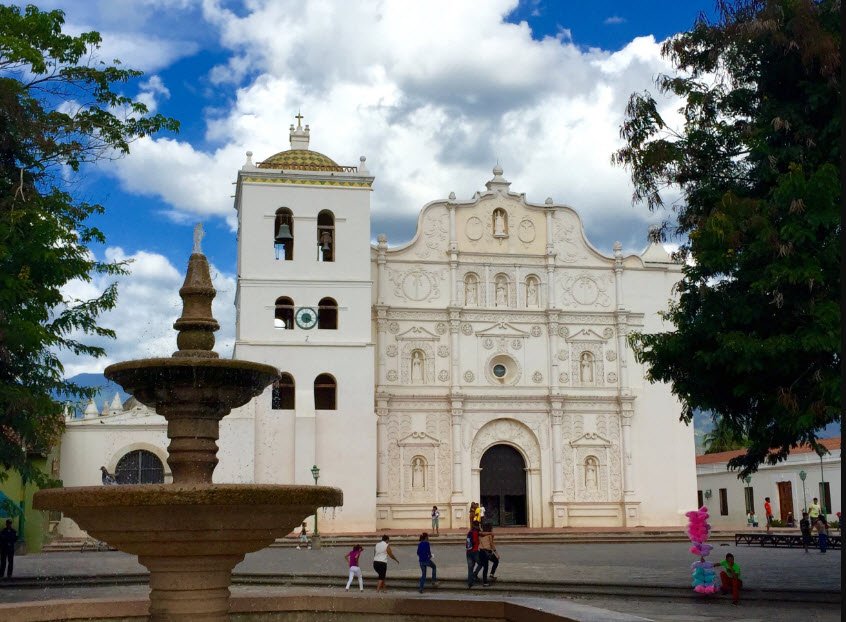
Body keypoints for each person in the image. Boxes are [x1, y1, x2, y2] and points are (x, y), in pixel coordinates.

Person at [465, 521, 483, 588]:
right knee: (481, 563)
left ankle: (470, 583)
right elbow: (475, 541)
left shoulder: (469, 532)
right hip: (475, 551)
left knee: (470, 568)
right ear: (477, 526)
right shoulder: (476, 533)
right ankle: (475, 574)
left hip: (468, 552)